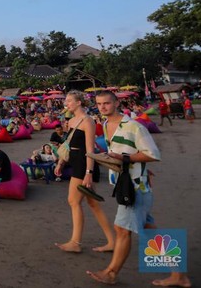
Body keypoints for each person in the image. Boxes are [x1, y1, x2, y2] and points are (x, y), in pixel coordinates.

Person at [86, 90, 167, 285]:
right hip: (126, 183)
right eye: (99, 104)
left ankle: (111, 272)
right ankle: (179, 274)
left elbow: (153, 154)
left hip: (135, 186)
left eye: (106, 103)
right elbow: (120, 152)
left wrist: (127, 159)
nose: (103, 107)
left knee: (121, 229)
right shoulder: (105, 125)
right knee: (148, 228)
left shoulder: (133, 126)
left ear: (116, 104)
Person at [54, 90, 115, 253]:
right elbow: (68, 144)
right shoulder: (72, 121)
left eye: (69, 101)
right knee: (93, 204)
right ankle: (112, 240)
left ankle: (75, 242)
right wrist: (61, 162)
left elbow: (90, 149)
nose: (66, 103)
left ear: (79, 102)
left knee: (73, 201)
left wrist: (89, 172)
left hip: (83, 165)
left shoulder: (88, 121)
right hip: (75, 162)